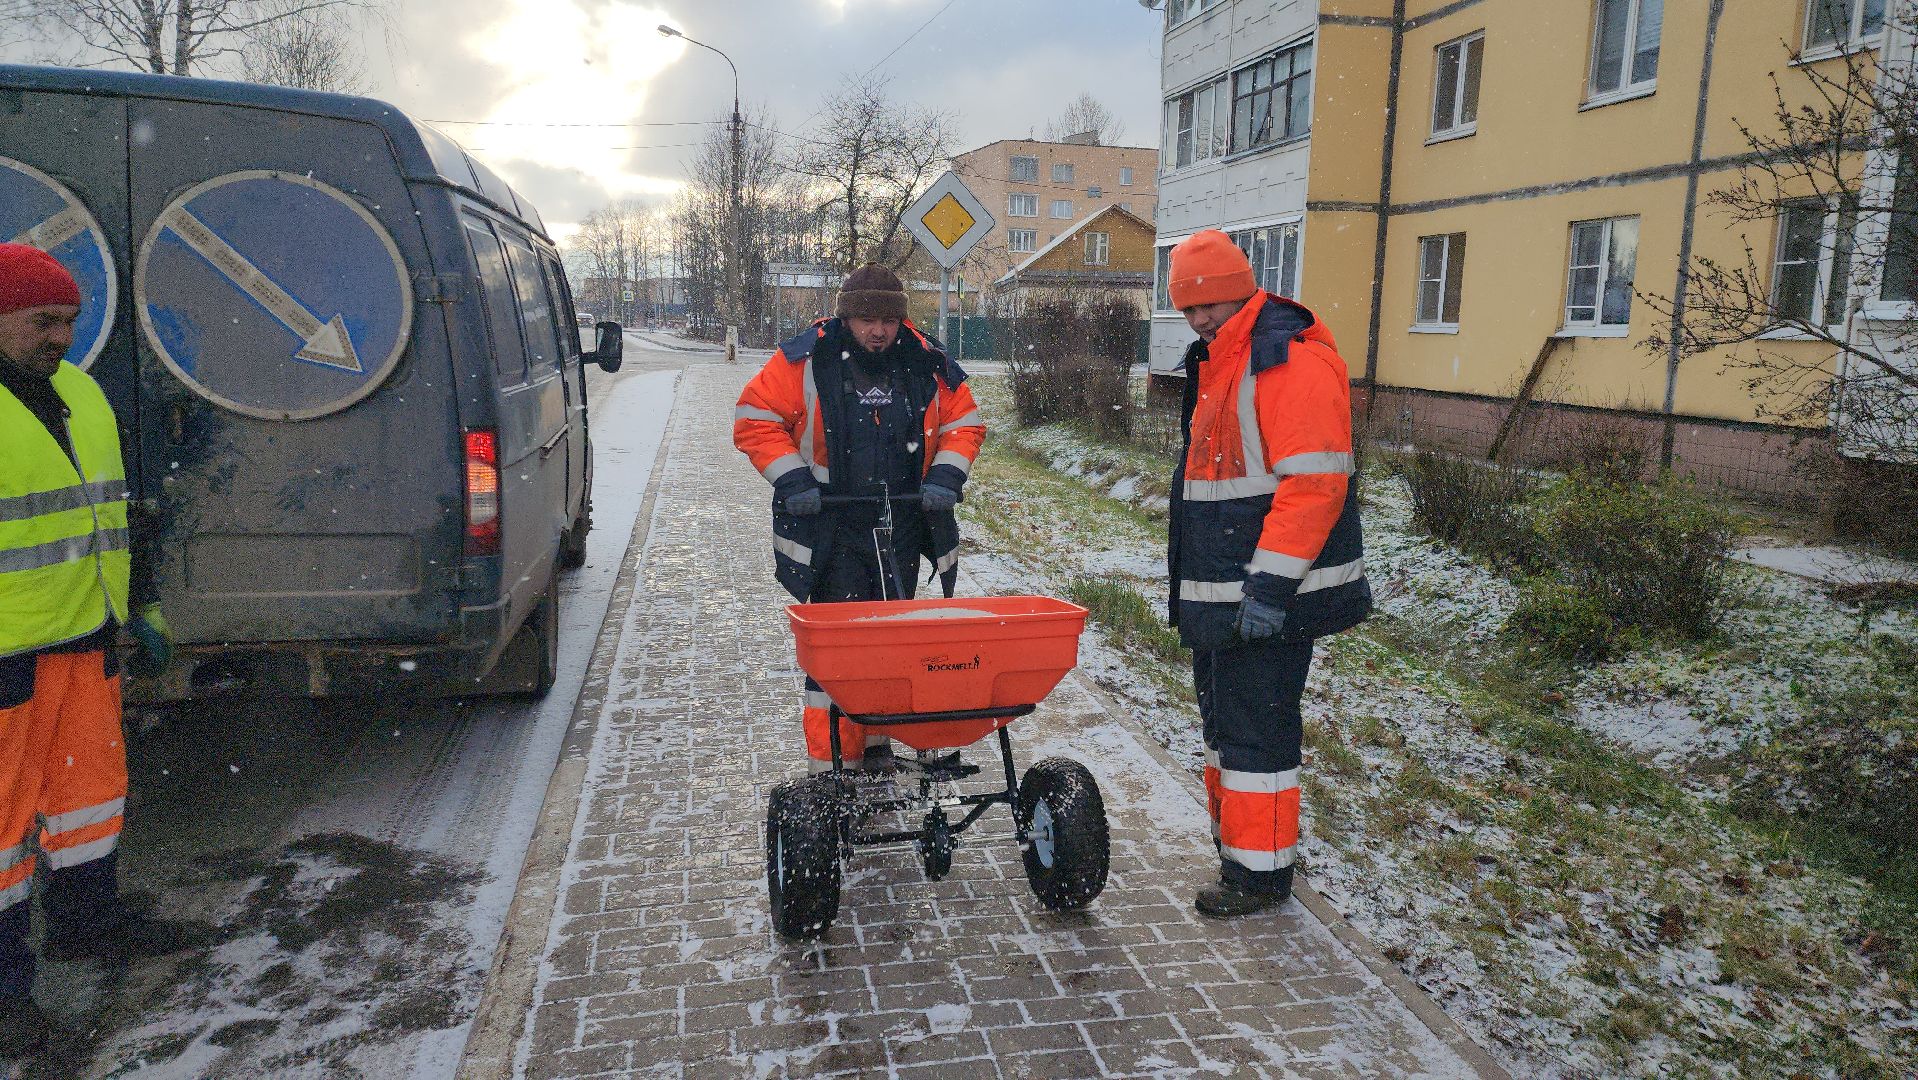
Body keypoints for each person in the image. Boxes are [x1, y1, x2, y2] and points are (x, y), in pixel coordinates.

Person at [0, 243, 189, 1055]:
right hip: (6, 654)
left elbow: (116, 511)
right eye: (43, 321)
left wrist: (140, 603)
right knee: (2, 833)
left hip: (85, 636)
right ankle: (7, 996)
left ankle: (87, 923)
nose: (61, 338)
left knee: (89, 795)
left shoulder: (79, 393)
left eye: (69, 322)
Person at [1163, 231, 1372, 919]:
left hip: (1268, 593)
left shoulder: (1283, 358)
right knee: (1229, 726)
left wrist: (1269, 588)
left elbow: (1313, 486)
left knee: (1259, 733)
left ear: (1242, 290)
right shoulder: (1227, 356)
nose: (1199, 320)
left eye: (1211, 305)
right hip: (1233, 587)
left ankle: (1259, 877)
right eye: (1189, 309)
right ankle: (1243, 853)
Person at [734, 264, 986, 772]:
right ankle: (833, 765)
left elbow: (965, 422)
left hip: (904, 522)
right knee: (842, 650)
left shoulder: (926, 360)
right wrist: (793, 480)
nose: (878, 331)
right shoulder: (808, 359)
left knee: (892, 636)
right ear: (847, 316)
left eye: (888, 320)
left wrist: (945, 477)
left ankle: (876, 743)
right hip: (833, 523)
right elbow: (755, 419)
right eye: (867, 319)